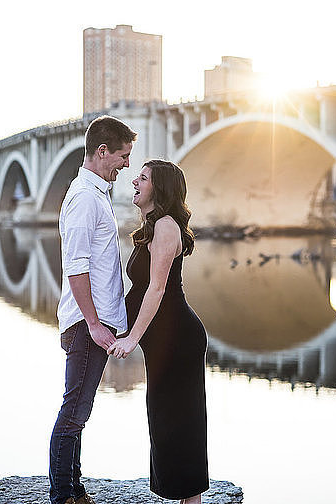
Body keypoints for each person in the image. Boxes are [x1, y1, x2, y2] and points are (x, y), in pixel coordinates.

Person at [108, 159, 209, 504]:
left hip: (177, 338)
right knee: (168, 417)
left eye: (144, 177)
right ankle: (185, 497)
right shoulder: (155, 226)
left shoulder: (166, 226)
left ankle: (191, 499)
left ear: (160, 188)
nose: (134, 180)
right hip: (164, 340)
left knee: (179, 419)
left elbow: (156, 290)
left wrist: (132, 337)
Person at [49, 115, 137, 504]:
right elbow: (77, 267)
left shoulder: (94, 192)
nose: (127, 164)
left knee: (79, 413)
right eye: (123, 155)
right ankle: (63, 495)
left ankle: (75, 489)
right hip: (89, 326)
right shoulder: (85, 197)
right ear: (102, 152)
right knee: (74, 412)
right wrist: (96, 325)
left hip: (92, 323)